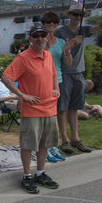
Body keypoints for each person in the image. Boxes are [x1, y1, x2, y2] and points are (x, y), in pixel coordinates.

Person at [1, 24, 61, 194]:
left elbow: (54, 74)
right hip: (32, 109)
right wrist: (22, 95)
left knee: (44, 144)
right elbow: (6, 77)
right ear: (30, 39)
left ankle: (40, 173)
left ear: (47, 37)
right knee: (28, 145)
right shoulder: (23, 58)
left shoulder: (48, 55)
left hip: (50, 107)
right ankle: (27, 175)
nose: (40, 38)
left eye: (43, 35)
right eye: (36, 36)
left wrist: (56, 88)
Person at [55, 3, 102, 154]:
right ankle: (65, 140)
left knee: (74, 107)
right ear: (69, 15)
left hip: (78, 73)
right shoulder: (60, 32)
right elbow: (57, 52)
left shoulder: (84, 30)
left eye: (80, 15)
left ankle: (76, 139)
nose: (78, 17)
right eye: (75, 14)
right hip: (64, 73)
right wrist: (73, 43)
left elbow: (99, 27)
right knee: (62, 108)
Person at [42, 11, 73, 162]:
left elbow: (68, 63)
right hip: (43, 82)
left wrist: (67, 50)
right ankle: (44, 147)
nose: (52, 25)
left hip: (58, 81)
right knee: (46, 117)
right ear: (43, 24)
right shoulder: (38, 40)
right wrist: (45, 47)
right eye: (49, 23)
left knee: (55, 115)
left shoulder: (61, 42)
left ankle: (53, 145)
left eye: (54, 23)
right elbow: (37, 60)